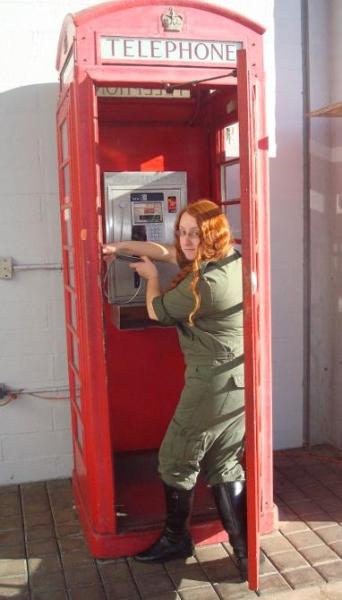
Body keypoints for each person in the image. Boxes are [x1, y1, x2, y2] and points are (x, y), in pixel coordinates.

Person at [102, 199, 248, 579]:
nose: (186, 240)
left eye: (194, 233)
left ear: (211, 233)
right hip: (237, 380)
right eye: (182, 230)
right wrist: (120, 247)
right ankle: (246, 552)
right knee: (224, 461)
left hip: (212, 382)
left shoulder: (205, 284)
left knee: (173, 459)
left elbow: (157, 310)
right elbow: (167, 251)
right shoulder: (231, 259)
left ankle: (176, 538)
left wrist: (151, 277)